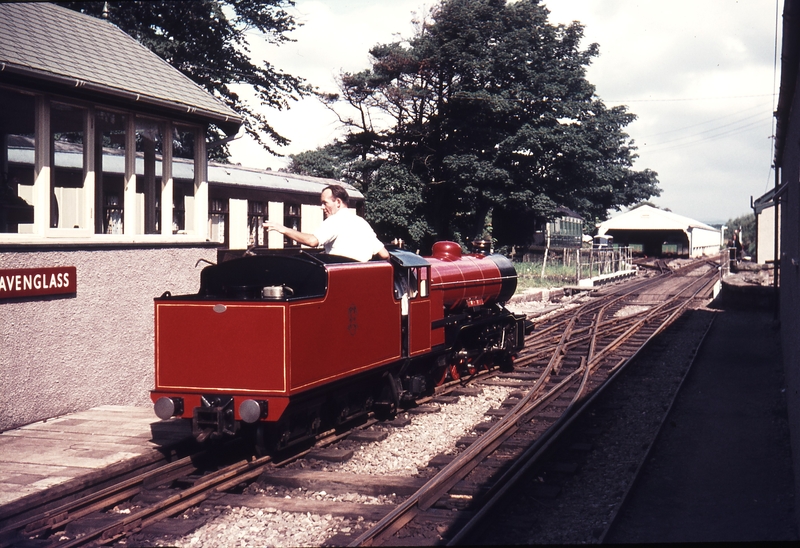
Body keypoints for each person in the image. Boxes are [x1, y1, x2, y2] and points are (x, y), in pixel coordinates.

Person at [264, 184, 390, 262]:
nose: (322, 207)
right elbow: (384, 255)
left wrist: (283, 229)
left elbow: (312, 241)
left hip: (339, 282)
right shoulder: (362, 223)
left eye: (325, 203)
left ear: (338, 202)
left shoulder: (335, 220)